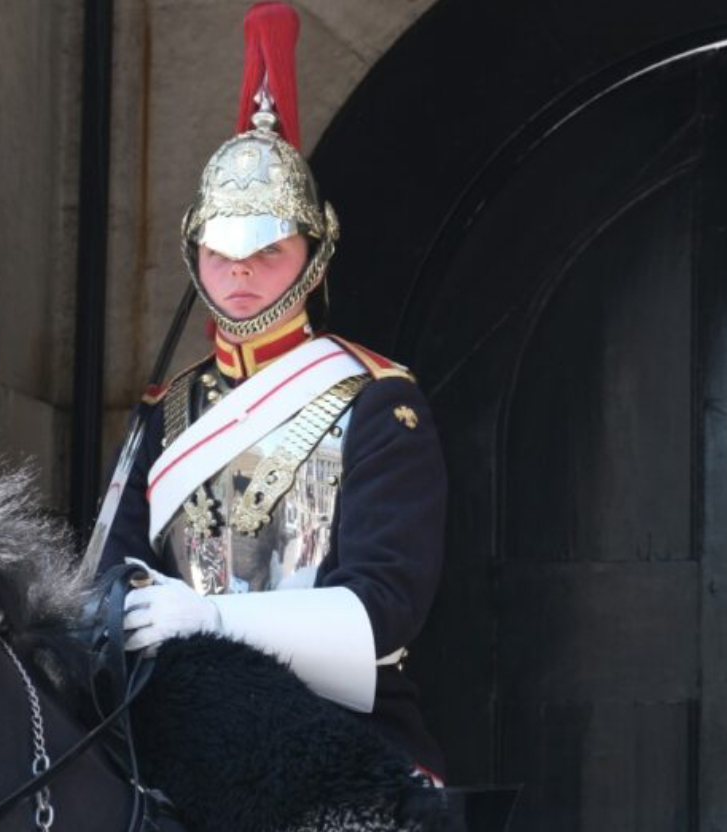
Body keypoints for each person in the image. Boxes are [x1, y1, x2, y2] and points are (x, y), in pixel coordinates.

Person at [97, 0, 448, 780]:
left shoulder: (377, 404)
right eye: (220, 251)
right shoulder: (167, 412)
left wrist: (211, 616)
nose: (241, 270)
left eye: (267, 247)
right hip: (175, 716)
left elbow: (382, 614)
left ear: (313, 253)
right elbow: (108, 577)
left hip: (332, 723)